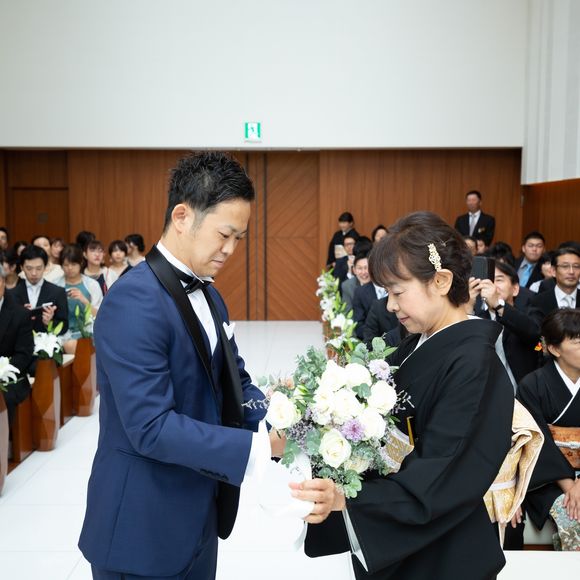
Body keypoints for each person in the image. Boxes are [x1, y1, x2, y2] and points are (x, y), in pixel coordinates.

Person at [79, 152, 286, 579]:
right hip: (142, 527)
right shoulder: (134, 300)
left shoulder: (210, 293)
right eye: (224, 234)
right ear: (181, 216)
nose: (230, 250)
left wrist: (283, 421)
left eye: (239, 238)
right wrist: (259, 447)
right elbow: (151, 427)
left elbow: (234, 378)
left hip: (198, 512)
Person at [301, 211, 514, 580]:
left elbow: (444, 473)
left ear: (441, 281)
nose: (390, 306)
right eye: (387, 293)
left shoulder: (475, 364)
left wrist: (347, 499)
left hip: (442, 550)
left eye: (398, 292)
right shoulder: (415, 343)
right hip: (408, 534)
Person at [517, 309, 580, 551]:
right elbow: (538, 441)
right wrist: (570, 486)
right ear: (554, 349)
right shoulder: (532, 386)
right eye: (577, 342)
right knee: (573, 516)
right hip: (550, 480)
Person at [470, 261, 541, 388]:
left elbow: (535, 333)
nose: (492, 286)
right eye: (489, 280)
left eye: (499, 280)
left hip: (523, 391)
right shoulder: (477, 317)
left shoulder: (530, 313)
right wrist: (467, 305)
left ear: (515, 289)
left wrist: (498, 305)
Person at [0, 264, 34, 426]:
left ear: (3, 282)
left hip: (9, 377)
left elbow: (23, 354)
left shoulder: (20, 314)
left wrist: (3, 372)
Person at [9, 245, 68, 335]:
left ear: (45, 267)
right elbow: (6, 327)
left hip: (48, 342)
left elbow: (64, 327)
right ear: (21, 267)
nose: (34, 273)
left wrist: (49, 322)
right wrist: (20, 317)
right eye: (29, 268)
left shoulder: (58, 292)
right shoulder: (11, 294)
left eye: (39, 268)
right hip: (21, 342)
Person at [55, 244, 103, 354]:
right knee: (70, 345)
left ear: (81, 263)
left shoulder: (92, 284)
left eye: (73, 264)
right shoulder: (55, 285)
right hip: (63, 334)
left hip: (89, 332)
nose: (70, 268)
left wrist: (84, 300)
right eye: (66, 265)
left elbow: (100, 315)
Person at [531, 247, 580, 323]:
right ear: (553, 271)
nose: (571, 272)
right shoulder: (538, 302)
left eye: (576, 266)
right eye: (565, 266)